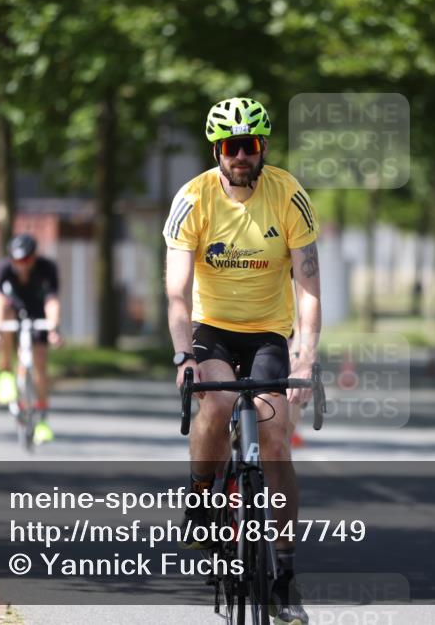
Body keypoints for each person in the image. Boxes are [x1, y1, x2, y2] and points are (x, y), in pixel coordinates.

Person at [165, 97, 320, 625]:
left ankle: (285, 576)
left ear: (263, 147)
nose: (240, 156)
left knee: (276, 438)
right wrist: (184, 355)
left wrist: (307, 357)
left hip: (269, 333)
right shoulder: (194, 198)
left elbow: (309, 287)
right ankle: (200, 497)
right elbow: (177, 292)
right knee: (216, 403)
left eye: (249, 146)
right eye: (230, 147)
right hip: (211, 330)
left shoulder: (288, 195)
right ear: (217, 150)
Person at [0, 233, 63, 444]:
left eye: (26, 260)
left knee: (39, 361)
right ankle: (5, 373)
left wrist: (54, 329)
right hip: (14, 311)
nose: (21, 264)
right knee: (5, 320)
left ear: (34, 256)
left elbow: (52, 301)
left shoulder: (47, 268)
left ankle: (42, 419)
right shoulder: (4, 269)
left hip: (38, 313)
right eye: (17, 260)